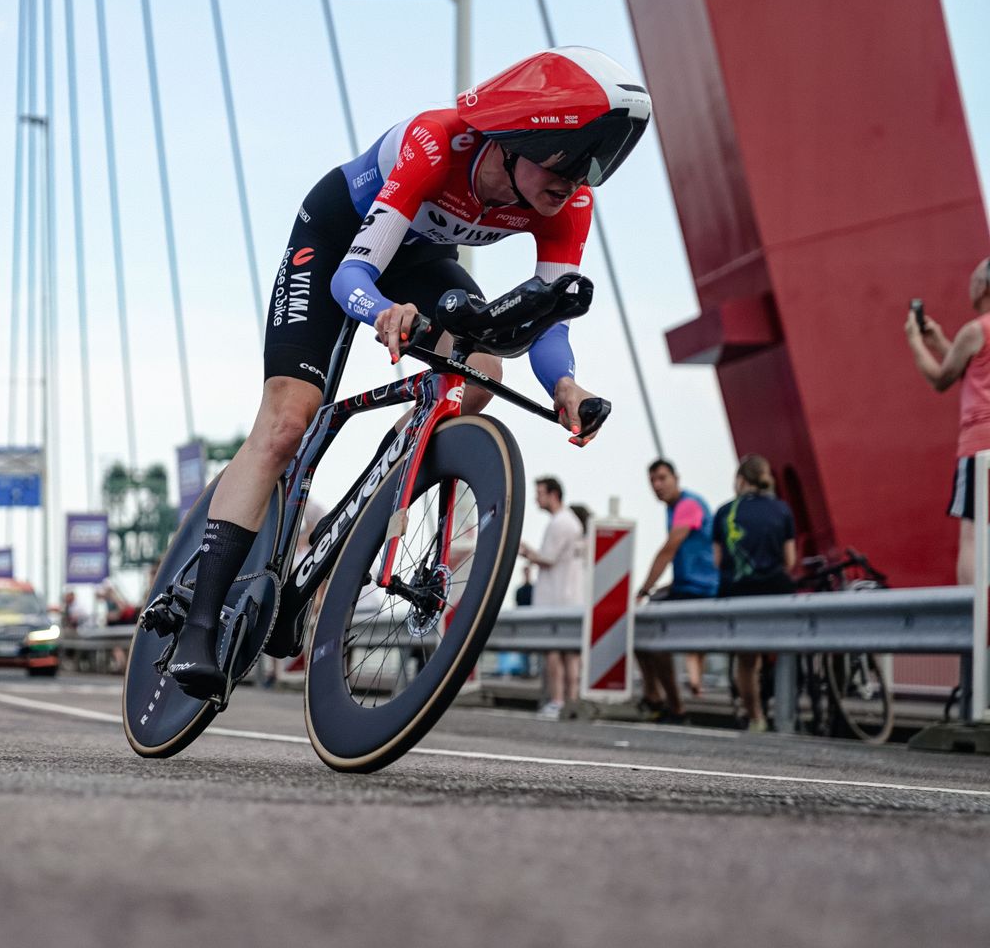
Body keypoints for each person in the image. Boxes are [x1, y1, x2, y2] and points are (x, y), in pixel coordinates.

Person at [164, 47, 653, 699]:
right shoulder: (436, 142)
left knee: (480, 367)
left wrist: (564, 384)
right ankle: (199, 620)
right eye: (572, 158)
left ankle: (372, 498)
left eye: (597, 164)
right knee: (286, 421)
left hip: (421, 260)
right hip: (340, 241)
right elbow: (350, 276)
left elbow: (548, 322)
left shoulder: (569, 204)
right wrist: (381, 313)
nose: (578, 180)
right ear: (522, 136)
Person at [904, 256, 990, 585]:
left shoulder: (976, 330)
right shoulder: (974, 337)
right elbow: (972, 368)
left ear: (983, 286)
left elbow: (942, 378)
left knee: (972, 533)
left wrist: (914, 340)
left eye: (972, 280)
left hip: (979, 444)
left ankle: (974, 608)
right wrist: (939, 341)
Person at [712, 454, 797, 732]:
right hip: (776, 592)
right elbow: (790, 560)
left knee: (746, 661)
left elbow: (717, 560)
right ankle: (786, 716)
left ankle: (756, 717)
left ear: (740, 480)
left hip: (739, 593)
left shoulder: (725, 512)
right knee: (784, 651)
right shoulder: (782, 510)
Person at [634, 459, 718, 722]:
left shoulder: (688, 505)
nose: (657, 485)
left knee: (655, 641)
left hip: (701, 590)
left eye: (662, 478)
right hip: (685, 586)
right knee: (638, 631)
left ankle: (675, 707)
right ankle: (654, 696)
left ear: (676, 478)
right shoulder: (673, 509)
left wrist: (644, 589)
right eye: (653, 481)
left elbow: (669, 549)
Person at [518, 476, 586, 718]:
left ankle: (557, 700)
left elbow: (548, 558)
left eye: (540, 493)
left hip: (556, 597)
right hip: (570, 595)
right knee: (570, 654)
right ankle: (572, 699)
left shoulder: (560, 523)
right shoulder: (571, 522)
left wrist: (525, 551)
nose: (536, 498)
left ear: (553, 494)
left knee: (553, 653)